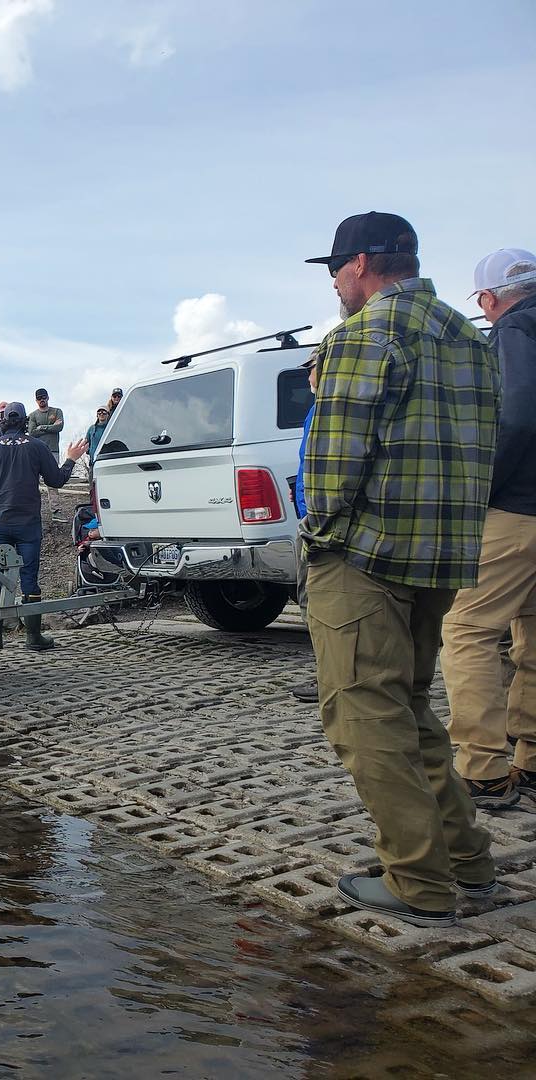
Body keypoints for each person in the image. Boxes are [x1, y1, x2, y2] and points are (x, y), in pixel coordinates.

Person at [302, 211, 501, 927]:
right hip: (441, 555)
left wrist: (319, 537)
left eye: (334, 269)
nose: (332, 283)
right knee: (410, 709)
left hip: (366, 557)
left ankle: (420, 883)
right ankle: (470, 865)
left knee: (363, 718)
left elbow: (333, 463)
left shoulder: (363, 334)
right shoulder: (467, 337)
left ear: (360, 263)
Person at [441, 248, 536, 809]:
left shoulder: (513, 332)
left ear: (490, 299)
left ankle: (482, 771)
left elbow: (517, 414)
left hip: (517, 508)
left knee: (470, 630)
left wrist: (483, 487)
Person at [0, 400, 89, 650]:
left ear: (3, 421)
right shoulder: (37, 446)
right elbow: (57, 480)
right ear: (25, 421)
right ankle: (33, 638)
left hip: (0, 522)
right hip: (28, 524)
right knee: (29, 578)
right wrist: (70, 459)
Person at [290, 353, 321, 704]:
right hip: (309, 515)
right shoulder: (315, 411)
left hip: (318, 520)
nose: (308, 378)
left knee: (315, 599)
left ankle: (330, 674)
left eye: (311, 370)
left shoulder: (330, 409)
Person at [27, 389, 64, 453]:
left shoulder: (57, 411)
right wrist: (52, 427)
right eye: (39, 398)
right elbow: (32, 433)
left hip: (53, 450)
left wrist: (41, 427)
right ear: (36, 400)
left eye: (44, 397)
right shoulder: (32, 415)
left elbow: (59, 427)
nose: (41, 400)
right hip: (38, 450)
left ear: (48, 398)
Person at [84, 406, 109, 473]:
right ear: (97, 415)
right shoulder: (91, 429)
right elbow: (86, 443)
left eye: (104, 413)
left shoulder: (110, 428)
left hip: (107, 461)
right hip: (93, 462)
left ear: (108, 415)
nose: (101, 414)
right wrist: (90, 451)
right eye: (99, 413)